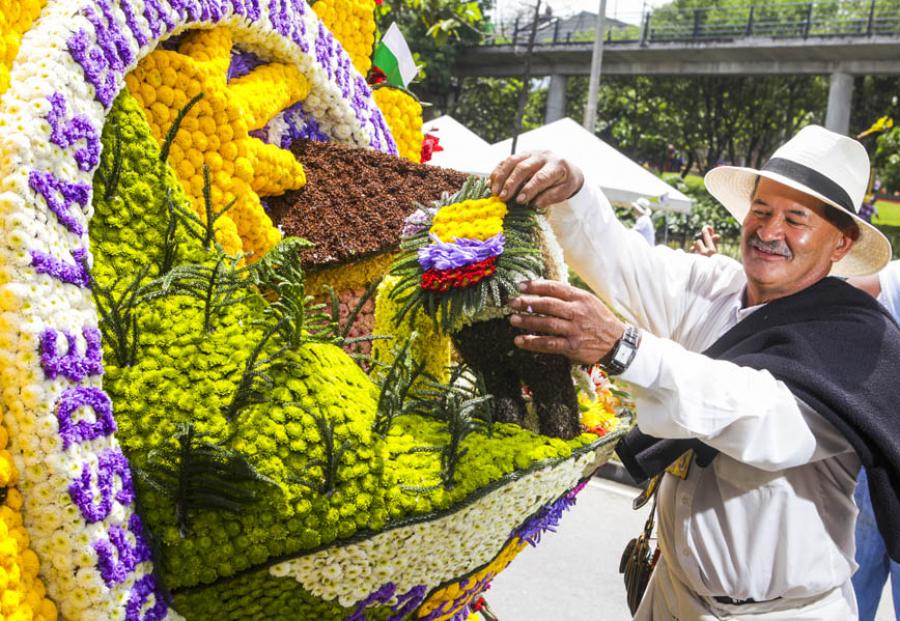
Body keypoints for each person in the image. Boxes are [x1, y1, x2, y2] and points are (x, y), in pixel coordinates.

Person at [489, 124, 900, 619]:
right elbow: (626, 265)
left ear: (841, 243)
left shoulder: (852, 342)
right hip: (671, 593)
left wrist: (624, 348)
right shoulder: (717, 288)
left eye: (796, 219)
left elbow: (759, 418)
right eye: (762, 211)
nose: (770, 233)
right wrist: (573, 188)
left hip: (780, 613)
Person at [694, 229, 900, 621]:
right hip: (877, 465)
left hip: (880, 456)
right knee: (850, 587)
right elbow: (824, 297)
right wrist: (751, 281)